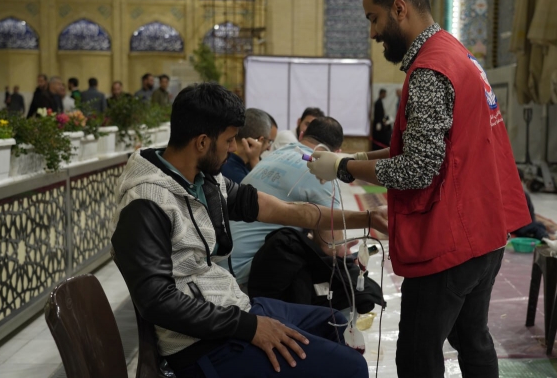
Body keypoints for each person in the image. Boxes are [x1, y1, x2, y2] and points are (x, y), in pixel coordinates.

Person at [306, 0, 530, 378]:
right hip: (486, 229)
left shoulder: (430, 69)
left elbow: (417, 169)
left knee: (416, 355)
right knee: (472, 338)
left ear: (399, 9)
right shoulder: (458, 54)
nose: (372, 33)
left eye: (373, 18)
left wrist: (344, 167)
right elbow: (433, 149)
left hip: (451, 240)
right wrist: (353, 160)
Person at [110, 81, 387, 378]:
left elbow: (289, 211)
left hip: (231, 309)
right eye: (229, 140)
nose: (234, 149)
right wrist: (249, 327)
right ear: (202, 142)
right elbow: (157, 302)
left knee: (334, 324)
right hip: (200, 346)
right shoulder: (146, 201)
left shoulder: (205, 180)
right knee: (352, 368)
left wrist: (368, 218)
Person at [225, 116, 348, 285]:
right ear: (337, 153)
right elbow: (330, 247)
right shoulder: (322, 173)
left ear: (301, 135)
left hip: (219, 263)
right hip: (243, 277)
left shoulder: (275, 154)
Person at [220, 108, 272, 183]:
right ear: (260, 140)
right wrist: (255, 160)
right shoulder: (240, 177)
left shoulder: (222, 161)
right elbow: (264, 188)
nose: (269, 148)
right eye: (269, 141)